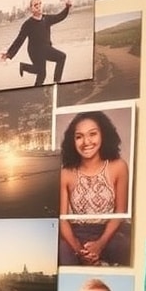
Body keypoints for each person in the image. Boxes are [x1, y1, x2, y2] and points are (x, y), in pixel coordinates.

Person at [59, 111, 130, 266]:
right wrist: (78, 249)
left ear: (103, 135)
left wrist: (100, 244)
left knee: (125, 247)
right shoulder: (66, 173)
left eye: (92, 134)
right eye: (79, 136)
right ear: (73, 141)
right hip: (77, 232)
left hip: (110, 231)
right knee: (62, 253)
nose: (86, 142)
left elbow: (120, 213)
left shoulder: (118, 166)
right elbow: (63, 220)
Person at [1, 0, 71, 87]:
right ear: (31, 9)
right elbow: (19, 40)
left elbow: (60, 17)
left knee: (60, 58)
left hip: (46, 48)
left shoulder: (47, 19)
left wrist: (67, 7)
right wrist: (9, 54)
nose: (38, 7)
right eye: (35, 5)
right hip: (35, 52)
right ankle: (47, 86)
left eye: (40, 4)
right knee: (42, 74)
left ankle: (56, 84)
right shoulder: (28, 24)